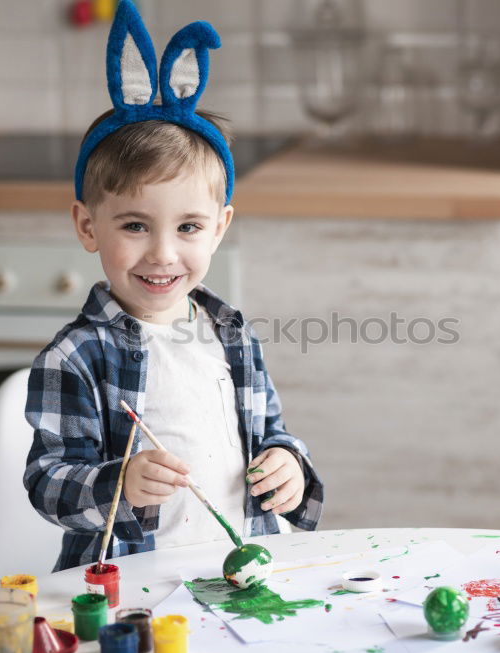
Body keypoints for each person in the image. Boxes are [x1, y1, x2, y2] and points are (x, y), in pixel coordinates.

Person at [23, 0, 323, 571]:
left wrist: (289, 463)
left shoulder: (230, 334)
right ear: (88, 226)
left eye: (188, 227)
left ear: (220, 229)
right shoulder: (75, 357)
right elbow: (47, 481)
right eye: (135, 225)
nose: (163, 253)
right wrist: (120, 484)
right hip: (134, 589)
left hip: (239, 573)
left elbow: (272, 434)